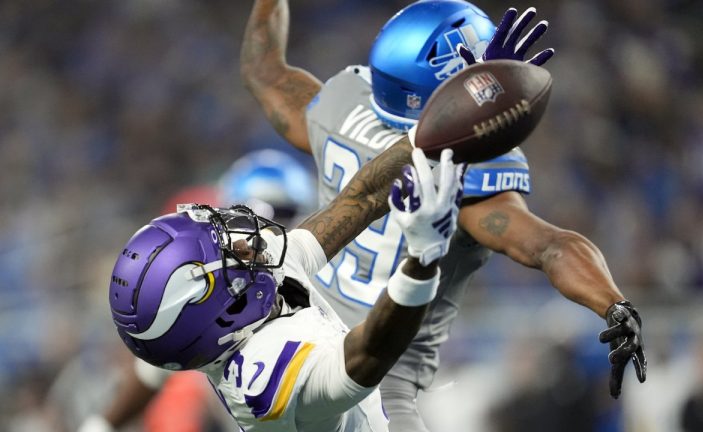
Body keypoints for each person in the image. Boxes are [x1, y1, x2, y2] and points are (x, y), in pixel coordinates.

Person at [241, 1, 646, 430]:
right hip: (375, 386)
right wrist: (612, 302)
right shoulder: (468, 172)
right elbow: (549, 246)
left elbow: (264, 71)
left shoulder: (341, 104)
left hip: (294, 356)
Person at [106, 146, 464, 431]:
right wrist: (422, 259)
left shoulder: (241, 296)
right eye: (222, 250)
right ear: (220, 307)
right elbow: (371, 352)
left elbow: (362, 198)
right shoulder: (263, 378)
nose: (242, 240)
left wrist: (432, 137)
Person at [77, 149, 317, 432]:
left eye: (280, 214)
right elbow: (152, 372)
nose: (261, 231)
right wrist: (99, 425)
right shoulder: (221, 290)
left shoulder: (319, 273)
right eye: (246, 217)